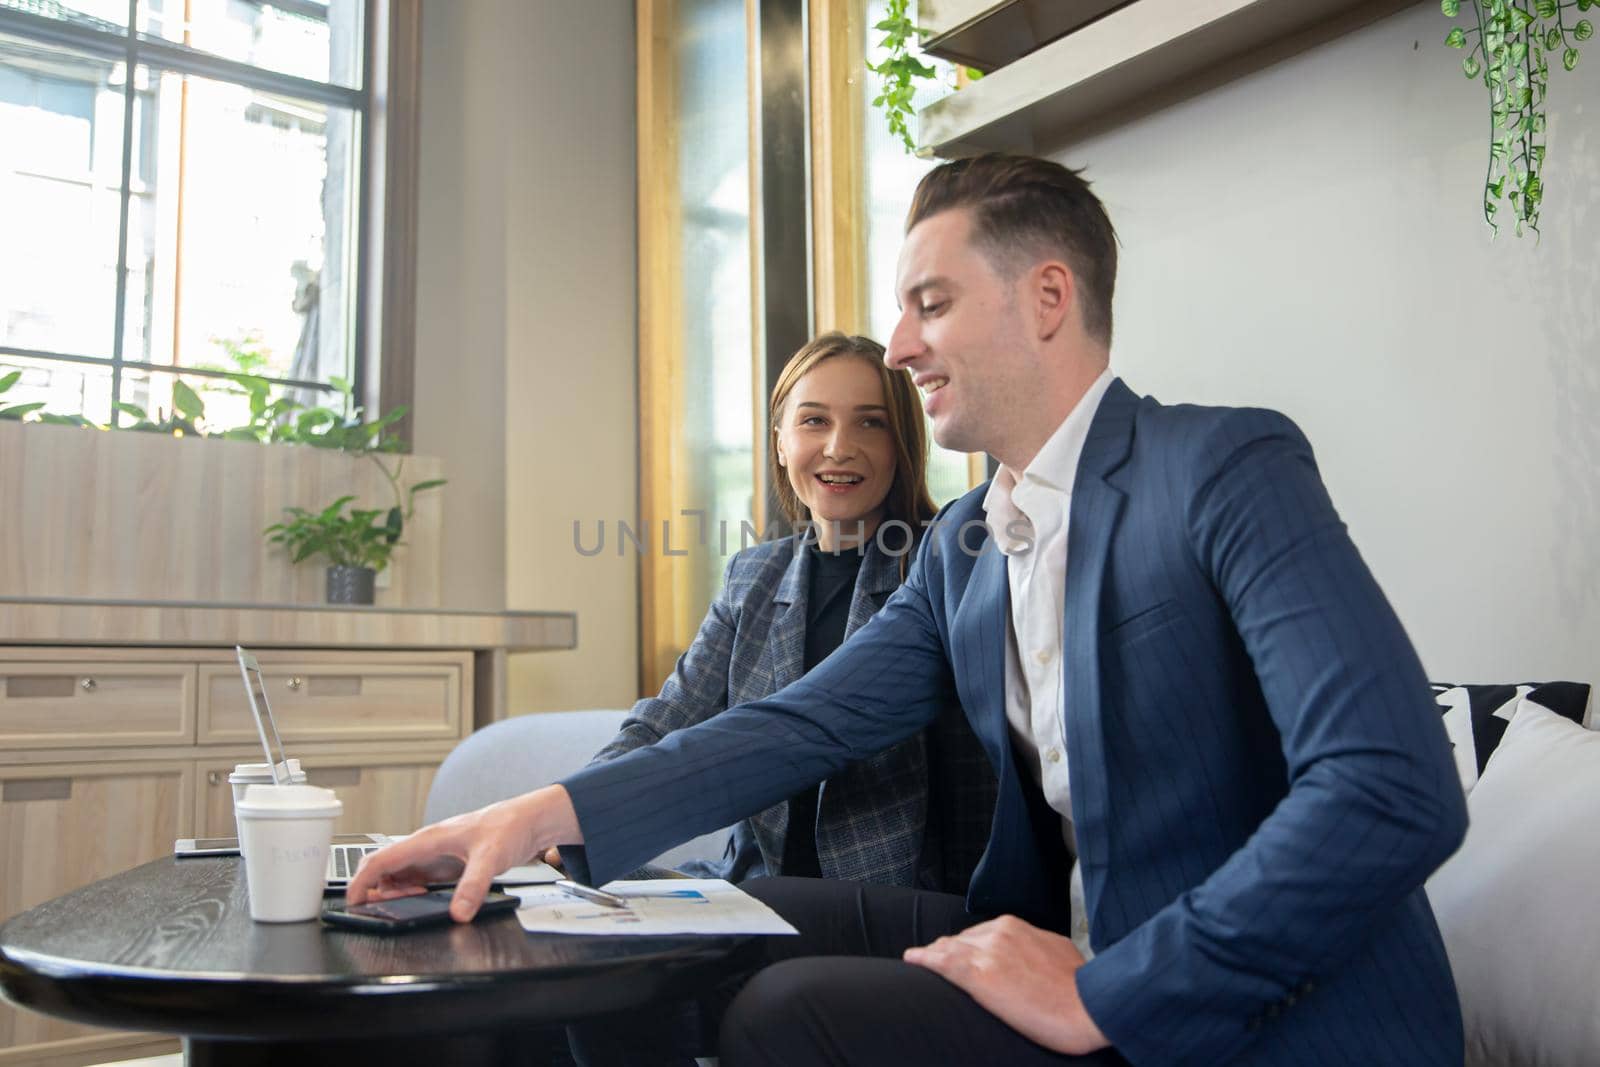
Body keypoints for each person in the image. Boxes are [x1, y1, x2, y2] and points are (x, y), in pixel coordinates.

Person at [350, 154, 1469, 1066]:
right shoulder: (967, 543)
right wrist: (532, 817)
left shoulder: (1220, 465)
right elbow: (800, 723)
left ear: (1045, 298)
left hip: (1234, 1001)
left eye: (929, 304)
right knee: (674, 923)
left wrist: (1111, 989)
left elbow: (1392, 785)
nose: (897, 348)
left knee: (789, 1014)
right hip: (1056, 936)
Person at [557, 331, 994, 891]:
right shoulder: (752, 576)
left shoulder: (946, 563)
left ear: (903, 443)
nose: (839, 446)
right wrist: (563, 817)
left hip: (900, 901)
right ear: (781, 443)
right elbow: (667, 718)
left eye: (871, 422)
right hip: (753, 885)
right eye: (814, 421)